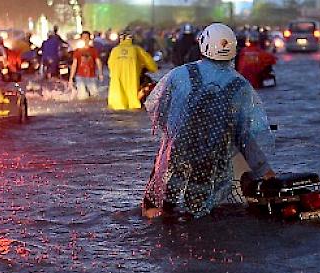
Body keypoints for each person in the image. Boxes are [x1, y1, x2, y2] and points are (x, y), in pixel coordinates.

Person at [141, 23, 275, 219]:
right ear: (233, 50)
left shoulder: (179, 74)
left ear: (203, 45)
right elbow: (244, 136)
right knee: (202, 215)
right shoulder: (240, 86)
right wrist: (265, 171)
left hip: (177, 155)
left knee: (160, 212)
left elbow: (159, 112)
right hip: (212, 161)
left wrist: (175, 135)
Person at [107, 32, 157, 110]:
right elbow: (149, 61)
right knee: (132, 99)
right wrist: (154, 69)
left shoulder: (114, 50)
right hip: (132, 77)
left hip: (116, 78)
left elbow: (110, 64)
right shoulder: (136, 49)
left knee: (117, 99)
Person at [69, 31, 104, 100]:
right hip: (80, 76)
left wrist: (100, 74)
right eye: (83, 38)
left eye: (87, 38)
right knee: (82, 97)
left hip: (91, 76)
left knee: (95, 96)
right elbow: (74, 65)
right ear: (81, 39)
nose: (85, 40)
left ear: (89, 39)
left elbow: (98, 62)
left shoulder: (94, 50)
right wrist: (71, 78)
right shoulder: (77, 51)